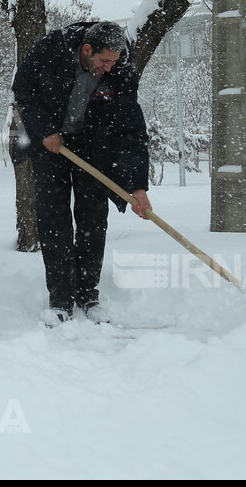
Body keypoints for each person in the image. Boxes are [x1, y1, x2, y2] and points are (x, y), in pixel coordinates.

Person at [11, 20, 151, 326]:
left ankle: (88, 293)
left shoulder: (122, 69)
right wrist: (46, 130)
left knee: (93, 219)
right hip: (51, 143)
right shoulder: (52, 49)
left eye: (115, 61)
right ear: (86, 50)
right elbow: (23, 90)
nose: (111, 68)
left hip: (93, 144)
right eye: (104, 61)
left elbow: (130, 129)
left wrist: (138, 185)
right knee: (54, 219)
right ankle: (60, 299)